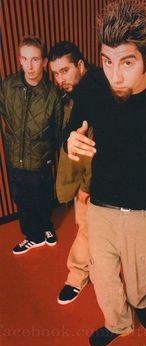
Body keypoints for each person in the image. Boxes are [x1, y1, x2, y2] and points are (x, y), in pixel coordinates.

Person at [65, 1, 146, 346]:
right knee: (105, 279)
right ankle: (118, 322)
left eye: (127, 62)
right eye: (107, 61)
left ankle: (140, 303)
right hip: (103, 205)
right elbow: (73, 125)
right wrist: (69, 139)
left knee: (141, 278)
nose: (115, 75)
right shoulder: (94, 84)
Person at [0, 36, 62, 254]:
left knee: (42, 196)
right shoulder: (8, 86)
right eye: (25, 59)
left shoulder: (52, 94)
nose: (29, 66)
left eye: (35, 59)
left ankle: (46, 228)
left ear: (44, 62)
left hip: (41, 159)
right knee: (22, 200)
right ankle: (33, 236)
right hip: (15, 158)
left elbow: (58, 130)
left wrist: (46, 154)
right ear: (19, 60)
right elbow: (6, 116)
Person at [48, 41, 91, 304]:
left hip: (92, 183)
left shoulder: (92, 96)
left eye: (65, 71)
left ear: (81, 66)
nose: (59, 79)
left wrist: (86, 187)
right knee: (86, 226)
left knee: (87, 228)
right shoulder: (71, 94)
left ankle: (76, 277)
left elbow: (94, 148)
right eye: (55, 73)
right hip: (77, 179)